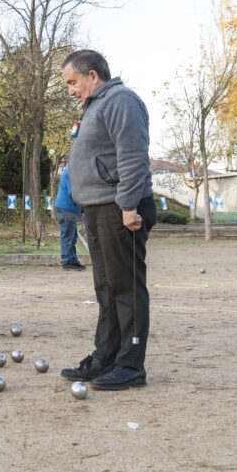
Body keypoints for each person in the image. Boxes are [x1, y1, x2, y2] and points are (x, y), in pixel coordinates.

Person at [59, 50, 156, 391]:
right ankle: (106, 357)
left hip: (119, 209)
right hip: (98, 208)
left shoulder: (121, 101)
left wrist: (128, 205)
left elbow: (132, 156)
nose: (70, 90)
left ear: (93, 76)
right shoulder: (94, 106)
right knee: (106, 288)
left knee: (125, 287)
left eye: (73, 82)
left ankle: (130, 365)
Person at [55, 163, 85, 271]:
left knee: (72, 237)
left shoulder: (73, 170)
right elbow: (73, 193)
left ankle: (73, 260)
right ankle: (67, 261)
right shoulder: (69, 172)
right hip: (66, 208)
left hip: (70, 208)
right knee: (68, 236)